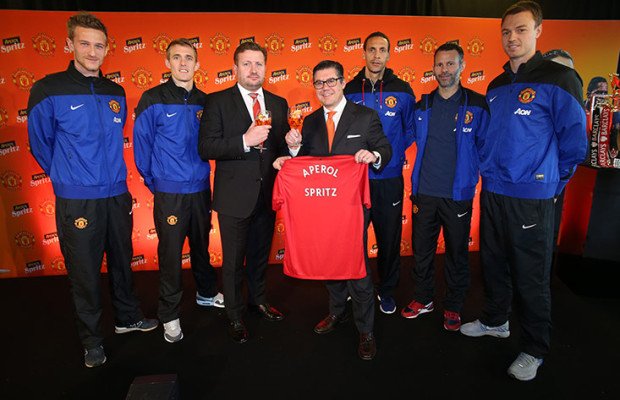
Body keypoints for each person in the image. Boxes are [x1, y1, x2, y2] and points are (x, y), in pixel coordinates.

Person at [460, 1, 587, 381]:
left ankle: (534, 348)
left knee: (531, 275)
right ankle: (496, 321)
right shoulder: (497, 85)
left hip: (532, 197)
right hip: (494, 191)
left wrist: (550, 183)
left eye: (520, 29)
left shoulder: (560, 78)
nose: (512, 38)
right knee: (493, 263)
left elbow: (574, 144)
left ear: (538, 31)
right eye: (506, 31)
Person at [27, 12, 158, 368]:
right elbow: (41, 144)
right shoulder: (48, 89)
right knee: (84, 273)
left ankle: (127, 318)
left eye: (99, 45)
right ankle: (92, 340)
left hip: (116, 194)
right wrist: (69, 176)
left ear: (107, 49)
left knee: (122, 262)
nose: (92, 52)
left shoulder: (115, 92)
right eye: (84, 43)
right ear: (69, 44)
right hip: (78, 199)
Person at [274, 60, 392, 360]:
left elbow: (385, 148)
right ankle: (337, 311)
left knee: (355, 265)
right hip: (321, 208)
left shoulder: (365, 116)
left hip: (352, 208)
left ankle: (366, 329)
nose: (325, 87)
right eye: (319, 82)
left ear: (342, 83)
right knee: (329, 260)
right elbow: (306, 162)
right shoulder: (311, 121)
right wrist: (292, 151)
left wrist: (373, 154)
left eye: (330, 81)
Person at [133, 38, 224, 344]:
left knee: (201, 245)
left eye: (188, 57)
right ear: (167, 62)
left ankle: (206, 292)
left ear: (198, 64)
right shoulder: (152, 98)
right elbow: (142, 146)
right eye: (177, 57)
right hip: (170, 192)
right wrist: (157, 182)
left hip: (200, 188)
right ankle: (169, 314)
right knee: (171, 254)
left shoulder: (207, 101)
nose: (183, 63)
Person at [198, 41, 288, 344]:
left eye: (258, 63)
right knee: (234, 262)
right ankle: (235, 315)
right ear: (235, 68)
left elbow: (281, 147)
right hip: (234, 198)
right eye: (246, 63)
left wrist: (292, 148)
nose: (253, 69)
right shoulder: (217, 101)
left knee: (260, 256)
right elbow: (206, 147)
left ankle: (258, 301)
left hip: (267, 194)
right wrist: (244, 141)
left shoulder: (278, 103)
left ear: (266, 67)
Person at [401, 43, 489, 332]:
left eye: (450, 64)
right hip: (424, 193)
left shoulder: (477, 104)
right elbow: (402, 138)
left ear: (462, 66)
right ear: (433, 68)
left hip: (457, 195)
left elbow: (487, 148)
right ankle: (423, 298)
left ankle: (453, 305)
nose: (444, 70)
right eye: (439, 64)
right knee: (422, 251)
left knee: (457, 253)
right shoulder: (422, 105)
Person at [343, 32, 416, 314]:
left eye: (382, 50)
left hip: (389, 178)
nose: (376, 55)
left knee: (389, 238)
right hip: (355, 180)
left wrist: (390, 155)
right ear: (363, 53)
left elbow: (410, 130)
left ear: (389, 54)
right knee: (353, 239)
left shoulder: (403, 90)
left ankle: (386, 291)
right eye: (371, 49)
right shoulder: (349, 89)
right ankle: (357, 288)